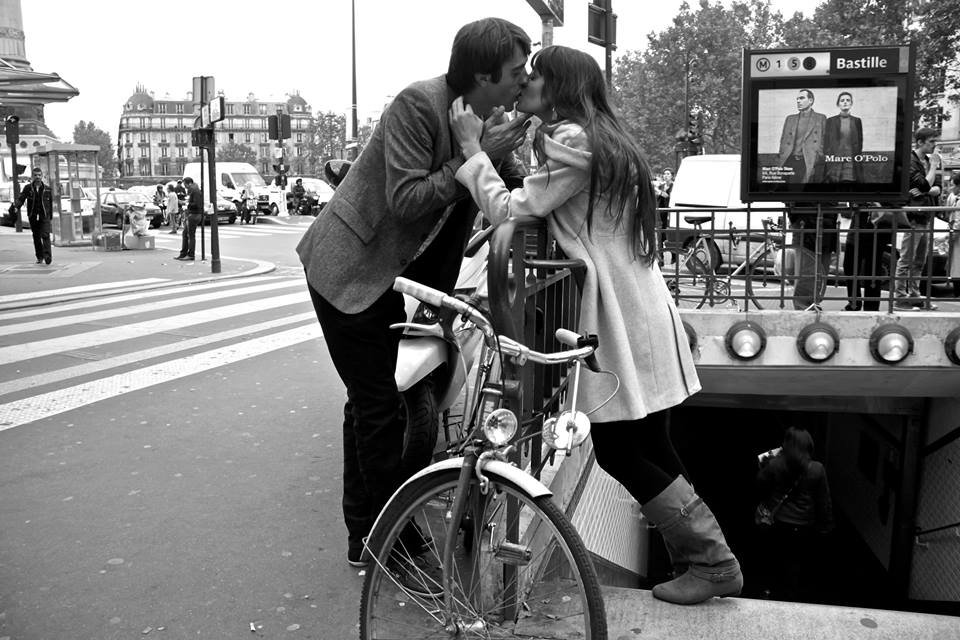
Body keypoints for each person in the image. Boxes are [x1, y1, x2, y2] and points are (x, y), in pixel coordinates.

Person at [450, 44, 740, 606]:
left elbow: (512, 211)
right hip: (640, 302)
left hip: (616, 312)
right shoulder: (602, 136)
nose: (526, 83)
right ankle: (705, 560)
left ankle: (713, 562)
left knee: (619, 449)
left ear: (560, 87)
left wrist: (471, 149)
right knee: (652, 440)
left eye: (535, 77)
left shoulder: (576, 141)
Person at [295, 17, 532, 570]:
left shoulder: (490, 119)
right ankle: (384, 537)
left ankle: (368, 530)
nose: (523, 80)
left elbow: (513, 188)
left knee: (370, 402)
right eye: (516, 71)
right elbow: (405, 199)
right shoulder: (418, 104)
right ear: (482, 74)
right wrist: (474, 155)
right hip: (349, 267)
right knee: (379, 405)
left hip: (392, 276)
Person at [755, 427, 834, 601]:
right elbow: (823, 500)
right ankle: (791, 596)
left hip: (777, 521)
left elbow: (760, 484)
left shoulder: (776, 464)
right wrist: (825, 526)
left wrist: (766, 463)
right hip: (803, 525)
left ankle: (768, 592)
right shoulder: (817, 469)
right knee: (794, 561)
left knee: (773, 557)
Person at [894, 128, 941, 311]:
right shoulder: (911, 161)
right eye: (931, 141)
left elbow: (935, 188)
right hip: (913, 217)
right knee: (906, 259)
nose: (934, 144)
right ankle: (900, 298)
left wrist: (926, 188)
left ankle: (915, 295)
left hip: (926, 215)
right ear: (920, 142)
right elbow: (923, 184)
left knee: (920, 260)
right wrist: (934, 169)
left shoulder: (927, 161)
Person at [778, 89, 826, 184]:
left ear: (810, 100)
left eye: (802, 98)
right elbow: (783, 140)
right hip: (789, 160)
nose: (798, 101)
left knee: (802, 192)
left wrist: (818, 156)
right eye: (797, 99)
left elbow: (824, 139)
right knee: (785, 194)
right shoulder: (790, 119)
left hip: (807, 161)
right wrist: (782, 153)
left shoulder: (820, 118)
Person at [14, 166, 54, 265]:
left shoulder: (48, 189)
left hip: (44, 216)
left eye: (39, 175)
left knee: (45, 235)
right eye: (35, 175)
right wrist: (16, 207)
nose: (37, 177)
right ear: (32, 176)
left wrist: (50, 216)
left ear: (42, 176)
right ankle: (40, 257)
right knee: (36, 236)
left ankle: (47, 257)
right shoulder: (28, 188)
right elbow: (21, 198)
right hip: (33, 215)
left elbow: (50, 204)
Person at [823, 91, 863, 184]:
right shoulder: (830, 121)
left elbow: (860, 142)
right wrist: (830, 157)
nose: (845, 102)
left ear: (851, 103)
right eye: (842, 100)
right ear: (838, 104)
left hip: (851, 162)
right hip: (835, 162)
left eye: (848, 100)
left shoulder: (857, 121)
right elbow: (826, 142)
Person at [175, 176, 202, 261]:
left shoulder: (194, 190)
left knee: (190, 235)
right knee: (186, 234)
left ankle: (190, 254)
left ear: (189, 183)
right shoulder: (194, 190)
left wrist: (187, 204)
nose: (185, 187)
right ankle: (184, 253)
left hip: (194, 214)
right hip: (194, 214)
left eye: (185, 184)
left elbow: (197, 204)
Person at [947, 173, 960, 297]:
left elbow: (958, 220)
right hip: (955, 235)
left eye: (952, 185)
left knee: (957, 266)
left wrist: (953, 234)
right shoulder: (954, 197)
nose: (951, 188)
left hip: (957, 235)